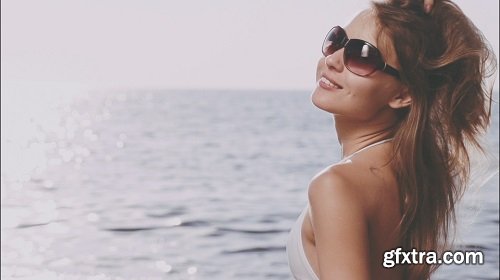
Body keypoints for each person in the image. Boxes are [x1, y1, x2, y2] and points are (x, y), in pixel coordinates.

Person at [285, 0, 497, 279]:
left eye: (361, 56)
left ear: (402, 95)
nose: (333, 60)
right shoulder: (413, 180)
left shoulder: (336, 186)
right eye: (337, 40)